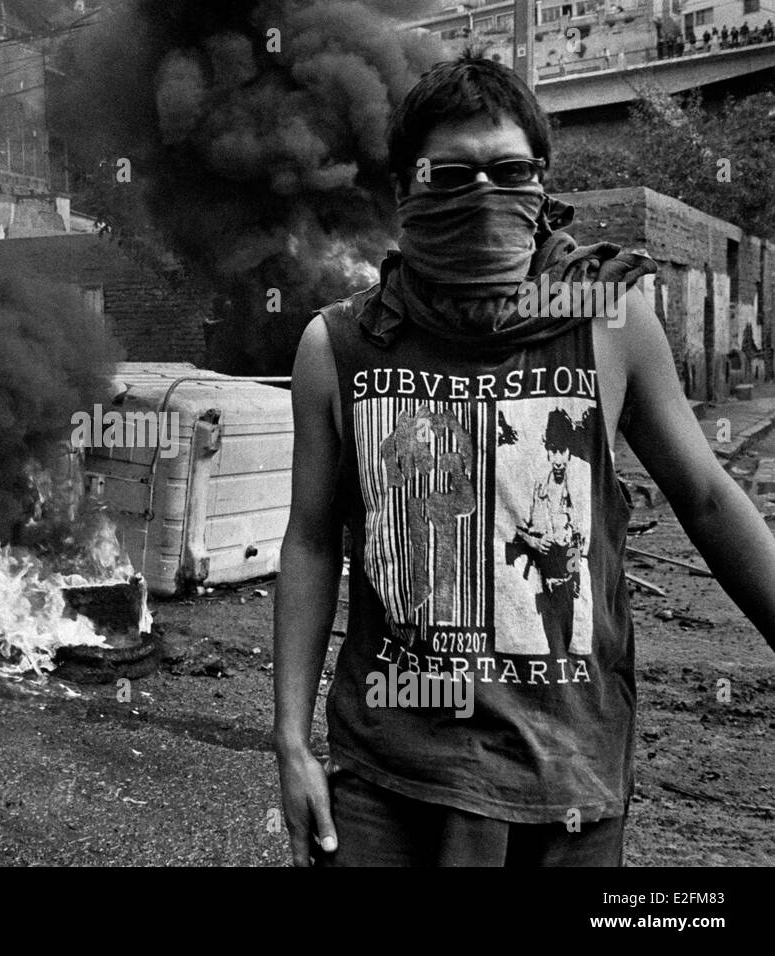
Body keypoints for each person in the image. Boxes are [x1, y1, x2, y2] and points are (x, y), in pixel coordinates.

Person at [273, 51, 775, 867]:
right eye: (451, 174)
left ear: (540, 182)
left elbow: (709, 498)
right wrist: (289, 740)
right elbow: (309, 541)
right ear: (405, 189)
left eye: (508, 171)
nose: (481, 195)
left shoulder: (609, 318)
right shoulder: (338, 347)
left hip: (566, 780)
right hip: (385, 779)